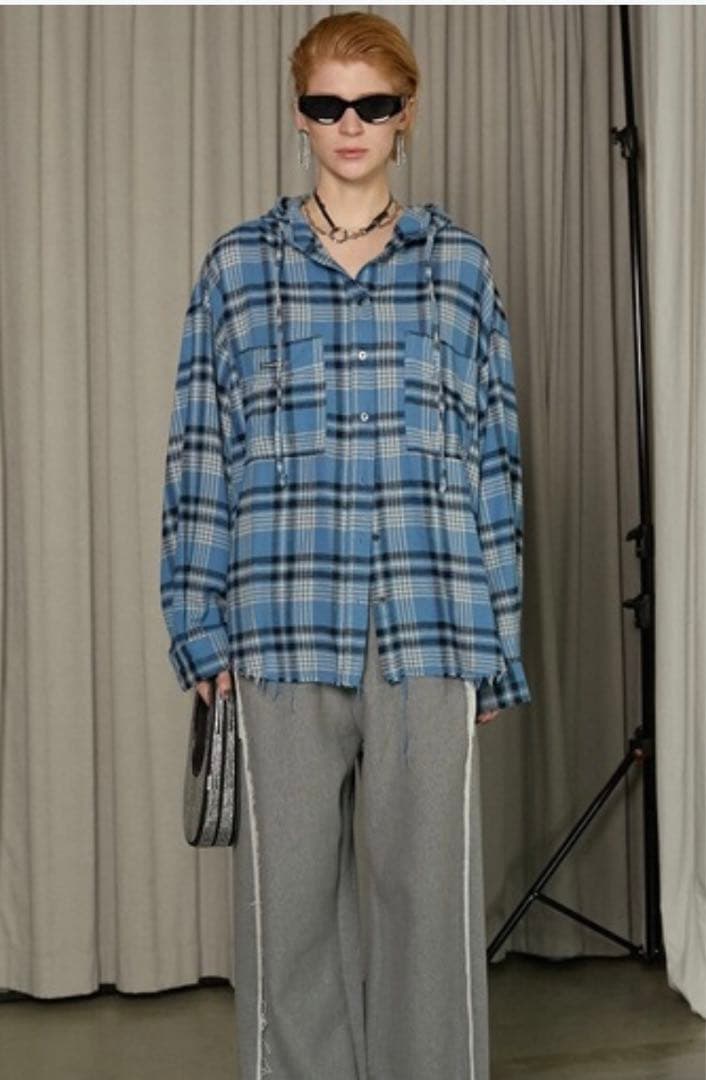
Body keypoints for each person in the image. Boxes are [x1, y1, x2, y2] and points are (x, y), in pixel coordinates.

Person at [160, 11, 531, 1079]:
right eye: (328, 104)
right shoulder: (238, 269)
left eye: (372, 104)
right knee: (285, 917)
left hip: (432, 621)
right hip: (279, 628)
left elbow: (495, 461)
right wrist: (198, 631)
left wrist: (500, 645)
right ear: (300, 115)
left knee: (432, 913)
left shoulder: (460, 268)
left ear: (406, 113)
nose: (350, 124)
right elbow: (198, 455)